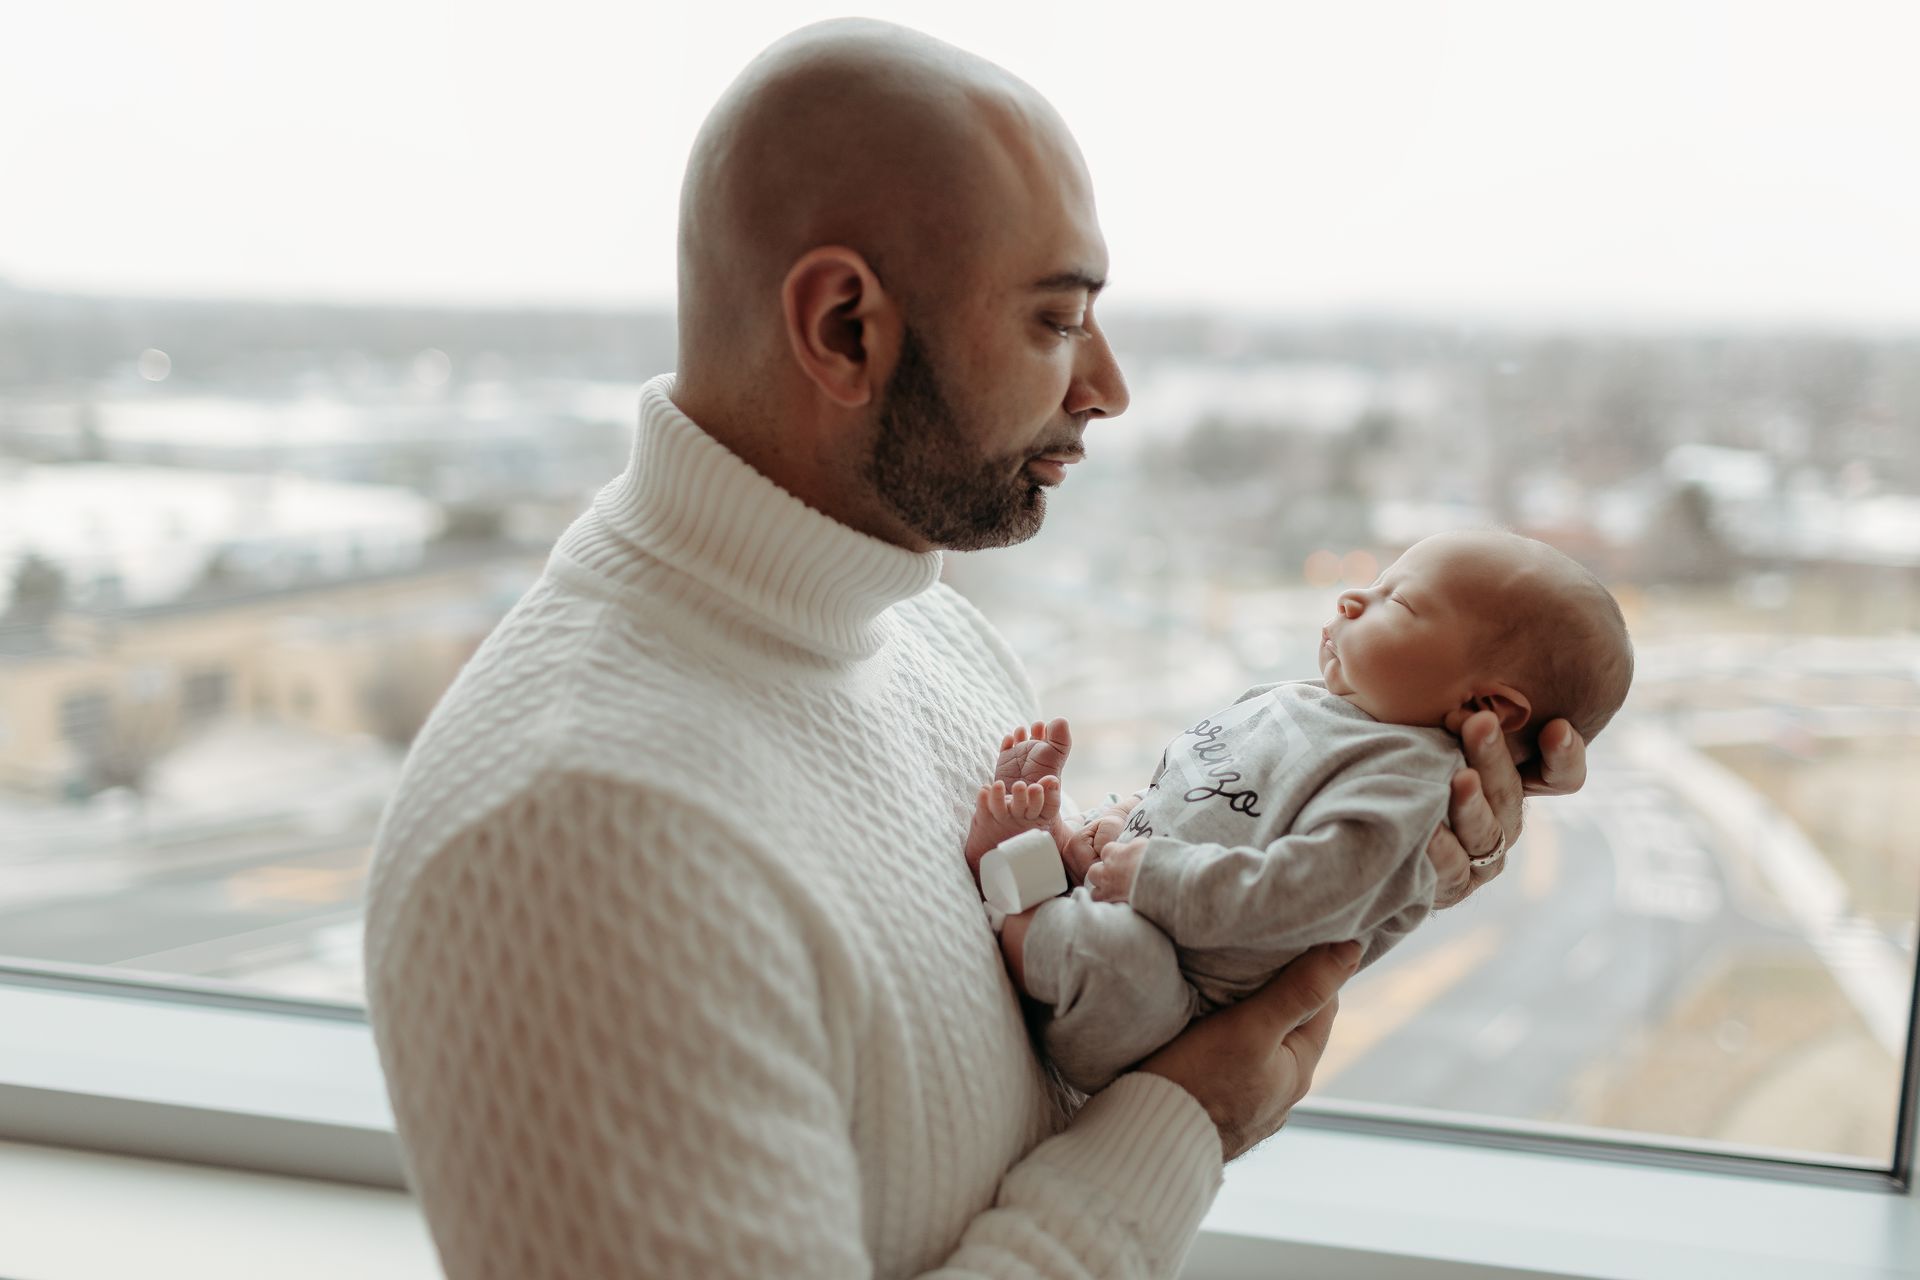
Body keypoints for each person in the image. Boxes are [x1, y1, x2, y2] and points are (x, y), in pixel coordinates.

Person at [360, 19, 1588, 1279]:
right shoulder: (579, 836)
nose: (1108, 386)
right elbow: (1121, 1122)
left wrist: (1395, 832)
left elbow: (1076, 1026)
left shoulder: (927, 636)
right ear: (846, 328)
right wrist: (1177, 1133)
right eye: (1058, 320)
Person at [963, 529, 1632, 1092]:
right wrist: (1125, 818)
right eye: (1375, 583)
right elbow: (1196, 782)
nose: (1352, 598)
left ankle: (1018, 907)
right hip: (1134, 880)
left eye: (1399, 602)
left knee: (1120, 962)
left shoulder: (1408, 785)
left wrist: (1151, 875)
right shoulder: (1303, 701)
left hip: (1178, 994)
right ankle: (1049, 847)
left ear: (1485, 706)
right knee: (1102, 846)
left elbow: (1302, 891)